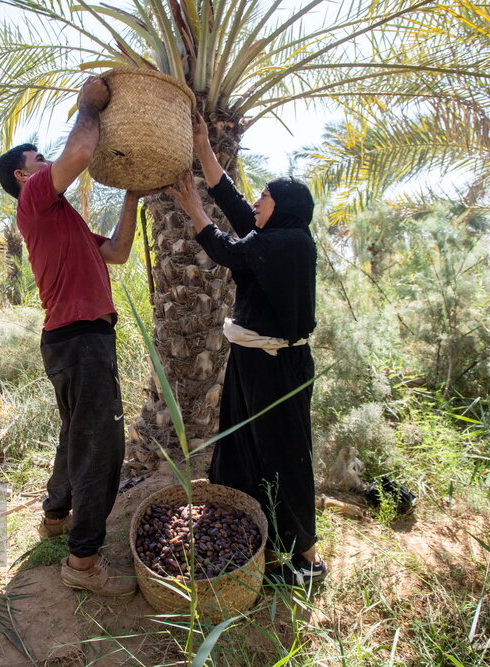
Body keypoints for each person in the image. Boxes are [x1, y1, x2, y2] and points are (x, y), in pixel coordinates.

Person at [0, 76, 153, 598]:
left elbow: (118, 254)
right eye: (40, 158)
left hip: (72, 340)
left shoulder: (63, 216)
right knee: (100, 448)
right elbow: (82, 149)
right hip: (82, 341)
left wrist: (132, 197)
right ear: (24, 174)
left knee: (75, 434)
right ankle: (83, 563)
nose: (48, 162)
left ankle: (55, 516)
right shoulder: (37, 197)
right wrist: (87, 104)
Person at [168, 112, 325, 586]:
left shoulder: (291, 244)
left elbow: (229, 249)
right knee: (240, 443)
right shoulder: (274, 237)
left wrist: (193, 207)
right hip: (252, 361)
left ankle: (308, 560)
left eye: (265, 196)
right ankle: (250, 531)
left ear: (284, 207)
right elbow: (237, 210)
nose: (257, 201)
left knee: (284, 453)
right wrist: (202, 146)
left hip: (277, 366)